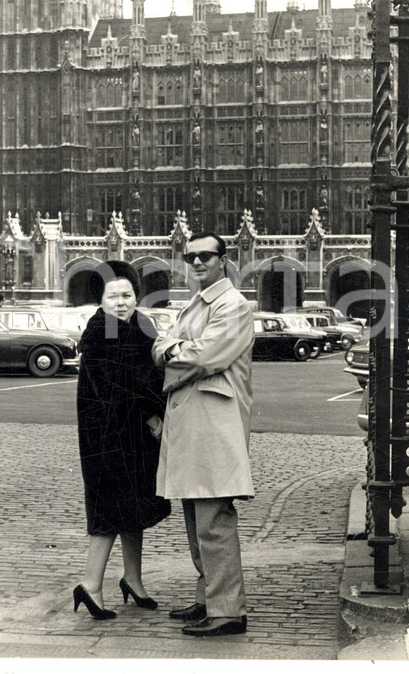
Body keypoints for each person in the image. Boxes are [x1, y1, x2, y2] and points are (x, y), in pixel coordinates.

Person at [152, 231, 255, 637]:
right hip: (193, 421)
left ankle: (228, 609)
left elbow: (208, 356)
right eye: (190, 256)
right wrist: (176, 349)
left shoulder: (233, 305)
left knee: (213, 520)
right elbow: (163, 346)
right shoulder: (195, 304)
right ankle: (207, 600)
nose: (197, 263)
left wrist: (174, 350)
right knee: (196, 518)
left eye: (205, 256)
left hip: (214, 422)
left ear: (223, 260)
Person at [73, 260, 171, 620]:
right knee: (109, 510)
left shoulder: (137, 325)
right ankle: (91, 585)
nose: (121, 302)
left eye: (127, 294)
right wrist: (151, 413)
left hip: (132, 435)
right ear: (100, 300)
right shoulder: (101, 331)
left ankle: (132, 579)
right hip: (107, 437)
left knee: (133, 506)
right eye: (112, 296)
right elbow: (116, 387)